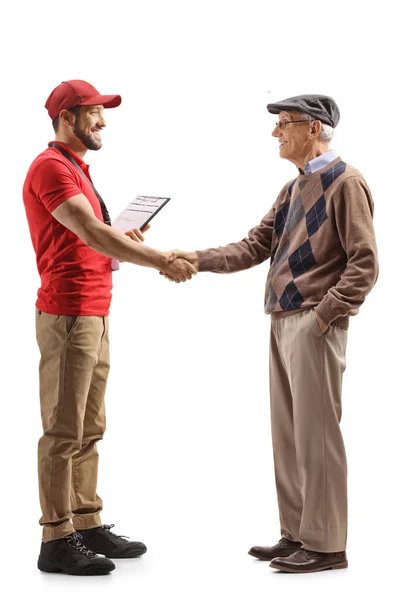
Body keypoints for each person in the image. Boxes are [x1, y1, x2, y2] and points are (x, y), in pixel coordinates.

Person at [165, 95, 379, 573]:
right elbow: (253, 246)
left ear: (316, 127)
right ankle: (298, 533)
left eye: (284, 124)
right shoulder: (292, 189)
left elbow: (365, 263)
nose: (275, 132)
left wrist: (326, 314)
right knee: (289, 434)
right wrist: (193, 259)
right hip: (283, 321)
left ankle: (326, 546)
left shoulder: (347, 182)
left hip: (312, 323)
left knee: (317, 434)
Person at [23, 79, 195, 576]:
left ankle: (86, 520)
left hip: (94, 311)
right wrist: (159, 258)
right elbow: (92, 232)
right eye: (93, 112)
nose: (102, 122)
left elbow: (96, 236)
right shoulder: (51, 167)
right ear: (66, 118)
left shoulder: (77, 168)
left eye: (102, 112)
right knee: (62, 429)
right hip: (69, 314)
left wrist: (125, 238)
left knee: (90, 426)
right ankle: (56, 540)